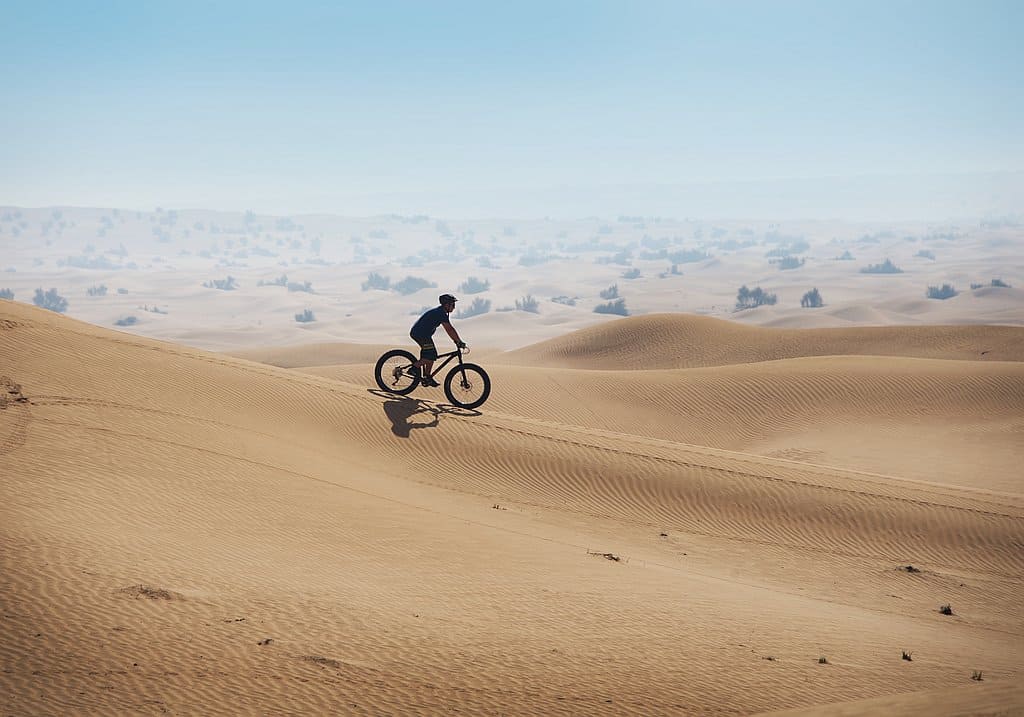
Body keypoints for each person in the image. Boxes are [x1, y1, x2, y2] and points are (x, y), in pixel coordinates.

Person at [410, 294, 466, 387]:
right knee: (431, 355)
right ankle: (414, 368)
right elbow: (449, 329)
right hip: (420, 334)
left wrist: (457, 341)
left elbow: (449, 329)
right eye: (452, 305)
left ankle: (427, 377)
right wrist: (458, 341)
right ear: (446, 305)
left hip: (423, 334)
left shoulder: (441, 312)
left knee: (431, 355)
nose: (454, 307)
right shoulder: (440, 313)